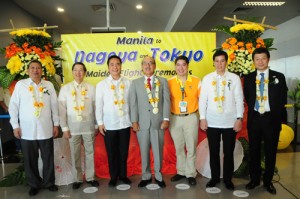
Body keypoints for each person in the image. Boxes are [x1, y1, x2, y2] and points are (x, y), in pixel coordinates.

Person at [9, 60, 59, 196]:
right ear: (28, 70)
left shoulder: (48, 85)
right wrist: (15, 126)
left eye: (38, 68)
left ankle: (49, 182)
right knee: (30, 159)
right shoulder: (21, 85)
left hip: (46, 129)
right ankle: (34, 184)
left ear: (42, 70)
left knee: (48, 157)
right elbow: (13, 106)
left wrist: (56, 124)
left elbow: (55, 106)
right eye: (32, 68)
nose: (35, 70)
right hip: (27, 131)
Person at [244, 48, 288, 195]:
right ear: (253, 61)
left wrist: (283, 120)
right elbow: (247, 97)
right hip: (255, 118)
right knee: (254, 151)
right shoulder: (249, 78)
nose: (260, 61)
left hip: (272, 119)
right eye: (257, 59)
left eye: (263, 58)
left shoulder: (279, 77)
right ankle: (254, 179)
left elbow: (282, 99)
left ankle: (268, 181)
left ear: (268, 59)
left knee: (270, 152)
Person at [199, 50, 244, 190]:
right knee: (214, 151)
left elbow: (239, 99)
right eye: (217, 61)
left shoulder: (234, 78)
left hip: (230, 122)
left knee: (228, 152)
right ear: (213, 62)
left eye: (222, 61)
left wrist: (239, 118)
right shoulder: (207, 78)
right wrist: (202, 118)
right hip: (212, 122)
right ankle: (214, 178)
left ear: (226, 62)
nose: (219, 64)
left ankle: (228, 179)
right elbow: (202, 100)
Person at [129, 56, 170, 188]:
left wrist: (166, 119)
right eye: (145, 63)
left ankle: (158, 176)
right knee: (144, 150)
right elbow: (133, 104)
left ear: (155, 66)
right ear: (141, 66)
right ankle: (146, 176)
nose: (148, 66)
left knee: (158, 151)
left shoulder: (163, 81)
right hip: (142, 124)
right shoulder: (135, 83)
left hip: (158, 123)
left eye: (151, 63)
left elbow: (166, 102)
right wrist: (134, 121)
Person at [58, 62, 99, 189]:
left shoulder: (91, 88)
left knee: (90, 152)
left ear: (85, 72)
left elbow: (96, 107)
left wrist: (97, 124)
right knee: (74, 153)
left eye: (81, 70)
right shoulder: (65, 89)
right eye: (75, 70)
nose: (78, 73)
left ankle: (91, 177)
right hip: (72, 128)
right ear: (72, 72)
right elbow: (62, 110)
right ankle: (77, 179)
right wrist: (64, 128)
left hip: (88, 126)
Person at [95, 55, 132, 187]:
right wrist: (99, 122)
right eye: (112, 64)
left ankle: (123, 175)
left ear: (121, 66)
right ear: (108, 67)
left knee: (123, 151)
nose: (115, 67)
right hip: (109, 125)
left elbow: (132, 104)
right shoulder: (101, 85)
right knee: (112, 153)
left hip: (125, 123)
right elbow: (98, 105)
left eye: (117, 64)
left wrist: (133, 120)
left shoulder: (128, 83)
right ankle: (113, 177)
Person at [168, 55, 201, 185]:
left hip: (191, 117)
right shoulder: (169, 82)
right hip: (175, 118)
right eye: (178, 65)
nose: (181, 68)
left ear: (188, 66)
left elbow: (202, 100)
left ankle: (191, 173)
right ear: (175, 67)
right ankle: (181, 171)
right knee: (179, 147)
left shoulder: (196, 81)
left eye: (183, 65)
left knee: (191, 146)